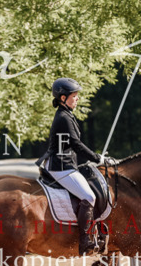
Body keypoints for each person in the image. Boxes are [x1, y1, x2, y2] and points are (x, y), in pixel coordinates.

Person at [38, 78, 111, 256]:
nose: (77, 99)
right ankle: (85, 240)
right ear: (63, 98)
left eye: (77, 96)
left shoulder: (67, 115)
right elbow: (76, 144)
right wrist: (98, 158)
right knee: (88, 196)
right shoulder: (63, 117)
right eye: (74, 96)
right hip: (61, 166)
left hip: (67, 164)